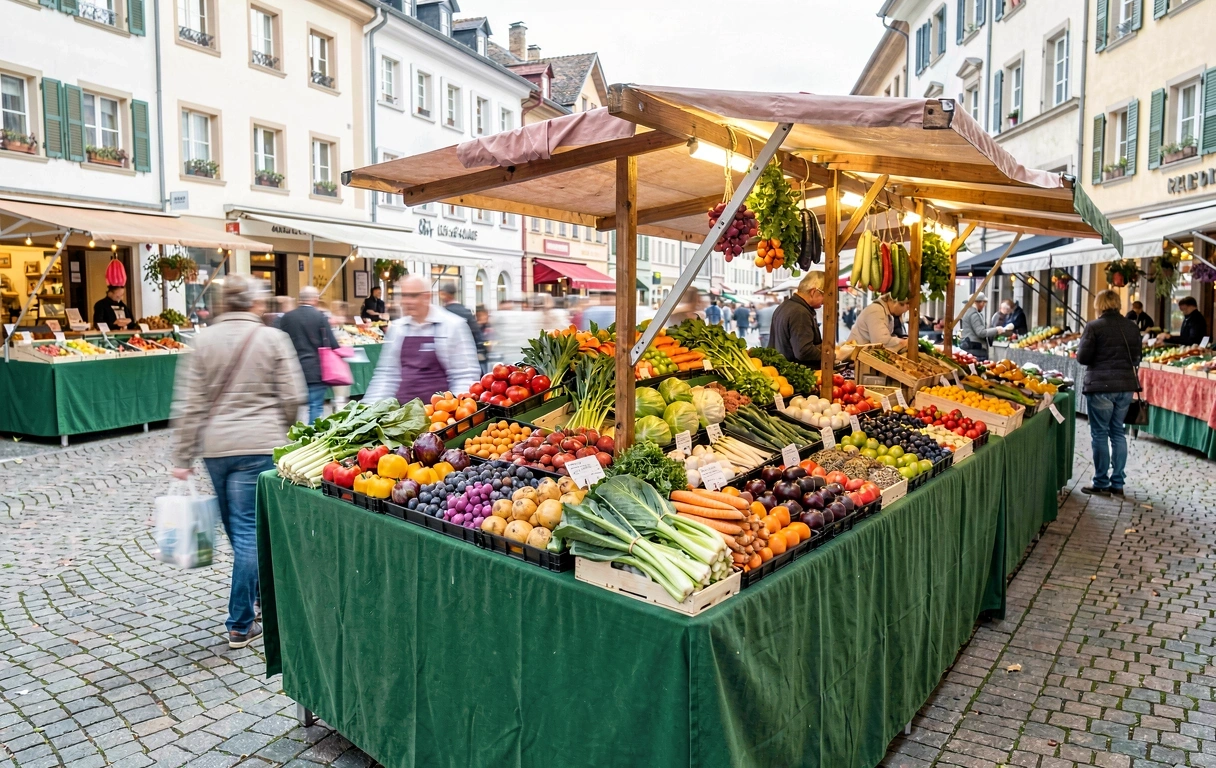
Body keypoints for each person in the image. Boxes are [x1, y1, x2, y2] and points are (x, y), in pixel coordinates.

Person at [170, 275, 307, 648]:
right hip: (260, 444)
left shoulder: (202, 341)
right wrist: (294, 434)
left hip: (216, 449)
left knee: (238, 530)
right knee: (249, 532)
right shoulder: (272, 338)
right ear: (253, 304)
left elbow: (189, 406)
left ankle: (257, 600)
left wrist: (182, 456)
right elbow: (293, 396)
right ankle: (241, 622)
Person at [364, 276, 481, 404]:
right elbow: (386, 376)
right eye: (404, 296)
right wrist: (368, 407)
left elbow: (465, 375)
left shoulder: (452, 325)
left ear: (427, 297)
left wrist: (454, 411)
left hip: (438, 416)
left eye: (413, 296)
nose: (407, 301)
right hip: (403, 416)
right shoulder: (397, 329)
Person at [1076, 289, 1142, 496]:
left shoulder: (1094, 327)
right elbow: (1137, 357)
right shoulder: (1132, 327)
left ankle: (1101, 481)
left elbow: (1083, 358)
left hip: (1101, 386)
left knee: (1099, 433)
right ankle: (1118, 483)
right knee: (1118, 432)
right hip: (1125, 386)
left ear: (1099, 305)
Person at [276, 286, 338, 422]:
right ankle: (312, 438)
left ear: (300, 300)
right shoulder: (320, 317)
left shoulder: (287, 317)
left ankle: (292, 436)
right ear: (315, 299)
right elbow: (332, 344)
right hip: (315, 369)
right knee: (315, 406)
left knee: (290, 407)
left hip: (291, 368)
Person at [769, 271, 825, 365]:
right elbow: (804, 352)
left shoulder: (784, 306)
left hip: (783, 370)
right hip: (797, 373)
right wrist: (830, 354)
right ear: (813, 292)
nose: (826, 300)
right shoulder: (800, 313)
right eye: (826, 295)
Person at [439, 282, 487, 369]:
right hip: (469, 354)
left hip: (450, 357)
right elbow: (477, 333)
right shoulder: (466, 311)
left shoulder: (443, 313)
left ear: (445, 294)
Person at [957, 293, 1009, 361]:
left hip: (970, 348)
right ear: (980, 302)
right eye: (984, 303)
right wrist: (997, 330)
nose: (983, 306)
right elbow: (981, 332)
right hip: (975, 350)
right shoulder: (973, 314)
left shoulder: (967, 312)